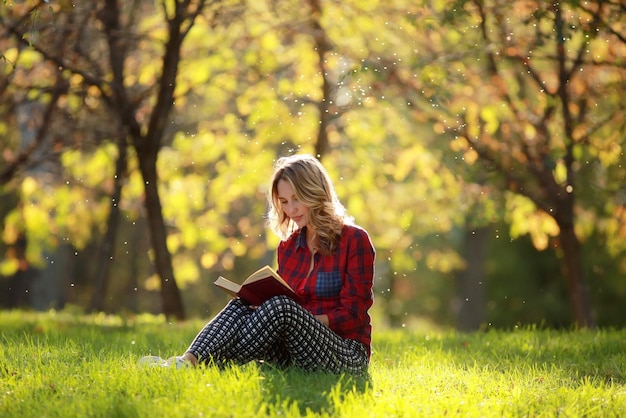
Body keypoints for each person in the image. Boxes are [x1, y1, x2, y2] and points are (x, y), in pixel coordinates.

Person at [141, 154, 375, 374]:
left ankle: (202, 365)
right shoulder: (289, 247)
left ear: (315, 193)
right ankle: (187, 361)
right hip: (293, 350)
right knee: (243, 302)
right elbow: (286, 302)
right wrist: (263, 309)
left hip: (345, 353)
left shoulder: (355, 240)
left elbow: (353, 314)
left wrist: (300, 320)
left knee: (282, 307)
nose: (290, 209)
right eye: (283, 201)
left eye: (297, 198)